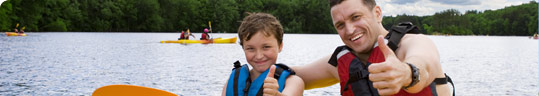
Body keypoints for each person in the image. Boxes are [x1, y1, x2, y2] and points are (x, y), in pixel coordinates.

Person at [275, 0, 453, 96]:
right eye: (340, 25)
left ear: (377, 13)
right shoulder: (341, 63)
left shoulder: (413, 43)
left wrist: (406, 73)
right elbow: (293, 75)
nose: (350, 30)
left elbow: (423, 65)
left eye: (355, 17)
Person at [221, 12, 304, 96]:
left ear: (280, 46)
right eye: (251, 49)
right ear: (243, 48)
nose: (259, 56)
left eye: (266, 47)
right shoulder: (232, 81)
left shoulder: (293, 82)